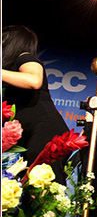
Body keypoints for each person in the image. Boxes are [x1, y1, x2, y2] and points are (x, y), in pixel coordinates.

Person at [2, 25, 71, 184]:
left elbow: (34, 81)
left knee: (41, 182)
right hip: (30, 134)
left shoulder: (25, 57)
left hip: (45, 130)